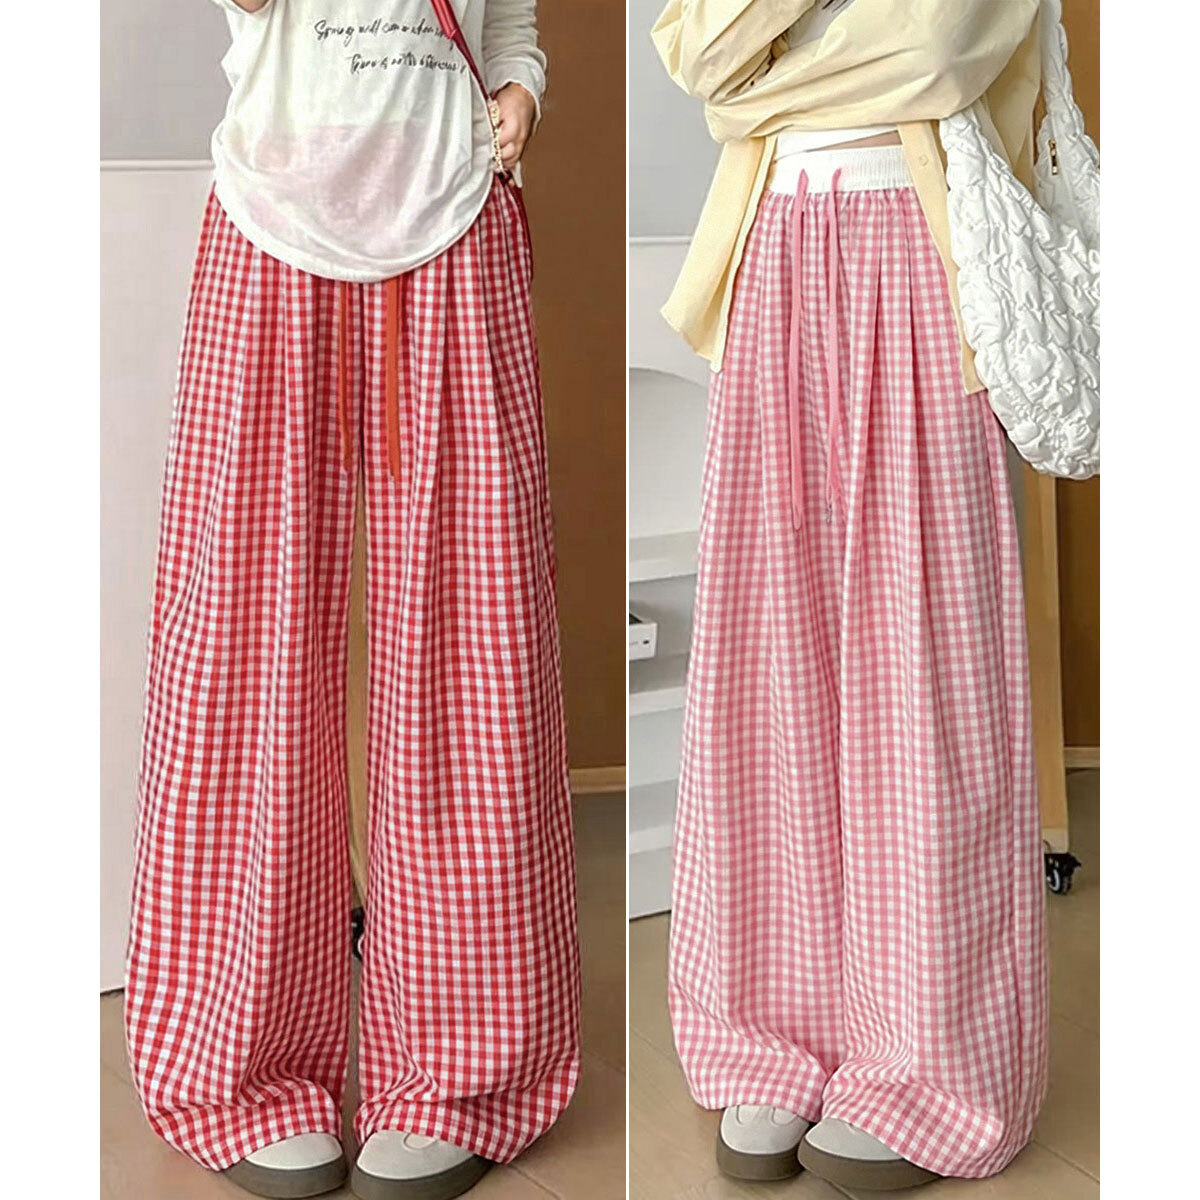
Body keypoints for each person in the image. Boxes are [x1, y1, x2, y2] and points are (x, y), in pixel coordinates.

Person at [122, 4, 580, 1199]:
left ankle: (463, 1067)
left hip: (458, 217)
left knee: (475, 654)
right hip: (275, 222)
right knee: (245, 651)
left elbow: (510, 17)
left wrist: (522, 88)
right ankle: (243, 1060)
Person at [653, 0, 1050, 1189]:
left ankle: (928, 1060)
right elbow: (697, 55)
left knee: (925, 677)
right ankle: (775, 1034)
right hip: (776, 254)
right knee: (770, 671)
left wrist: (769, 77)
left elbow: (937, 52)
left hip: (920, 259)